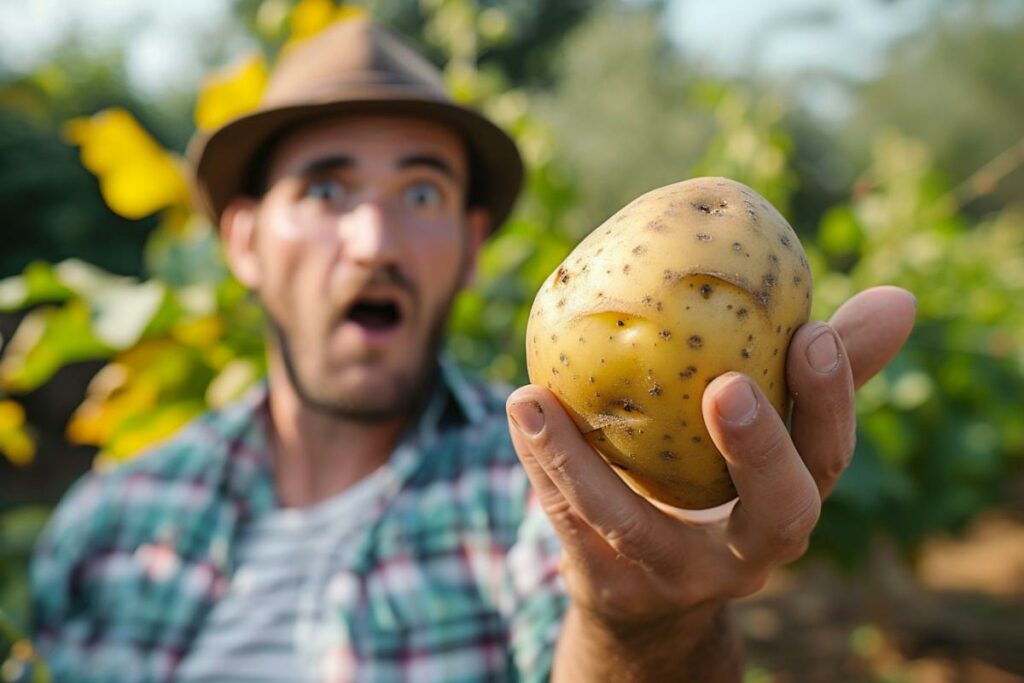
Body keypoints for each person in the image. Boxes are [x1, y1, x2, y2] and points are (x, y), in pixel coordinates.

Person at [29, 17, 916, 683]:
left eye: (421, 192)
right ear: (245, 242)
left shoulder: (552, 493)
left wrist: (647, 624)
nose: (374, 238)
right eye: (327, 187)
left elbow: (600, 617)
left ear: (470, 242)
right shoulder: (105, 528)